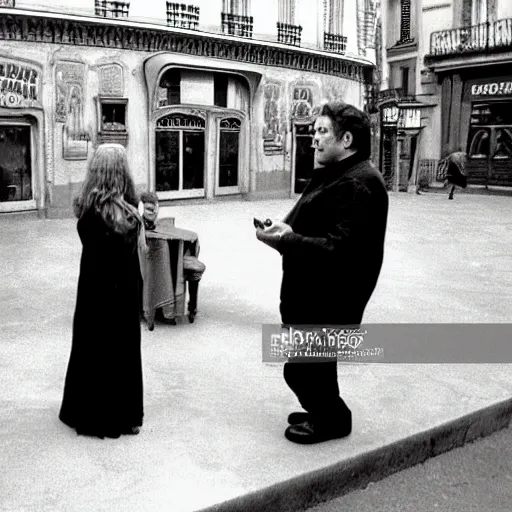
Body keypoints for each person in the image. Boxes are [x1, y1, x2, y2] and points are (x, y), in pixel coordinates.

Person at [256, 102, 389, 444]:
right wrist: (283, 231)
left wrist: (288, 239)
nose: (314, 139)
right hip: (313, 293)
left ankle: (332, 419)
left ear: (346, 139)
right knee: (316, 366)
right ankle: (325, 411)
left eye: (322, 132)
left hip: (329, 298)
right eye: (314, 131)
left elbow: (341, 252)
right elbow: (313, 221)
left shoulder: (360, 184)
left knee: (300, 370)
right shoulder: (337, 174)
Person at [59, 143, 145, 439]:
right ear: (122, 173)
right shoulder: (128, 214)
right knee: (121, 350)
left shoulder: (85, 207)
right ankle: (124, 414)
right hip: (121, 292)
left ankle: (82, 409)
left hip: (93, 288)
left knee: (90, 346)